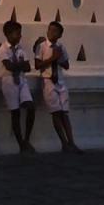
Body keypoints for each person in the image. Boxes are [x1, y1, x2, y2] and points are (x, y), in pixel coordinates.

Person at [35, 21, 81, 153]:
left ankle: (71, 142)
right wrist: (52, 58)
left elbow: (66, 65)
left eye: (55, 31)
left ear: (60, 34)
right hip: (48, 80)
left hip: (60, 80)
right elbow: (38, 65)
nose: (51, 33)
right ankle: (64, 143)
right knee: (56, 112)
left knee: (64, 113)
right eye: (50, 30)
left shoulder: (61, 47)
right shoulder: (42, 47)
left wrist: (59, 58)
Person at [0, 20, 35, 153]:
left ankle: (27, 139)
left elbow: (28, 67)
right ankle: (21, 143)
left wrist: (17, 65)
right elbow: (8, 66)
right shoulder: (3, 48)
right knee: (15, 112)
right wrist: (20, 65)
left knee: (31, 107)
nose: (20, 36)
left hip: (22, 80)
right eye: (17, 33)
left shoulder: (20, 49)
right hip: (9, 81)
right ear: (8, 34)